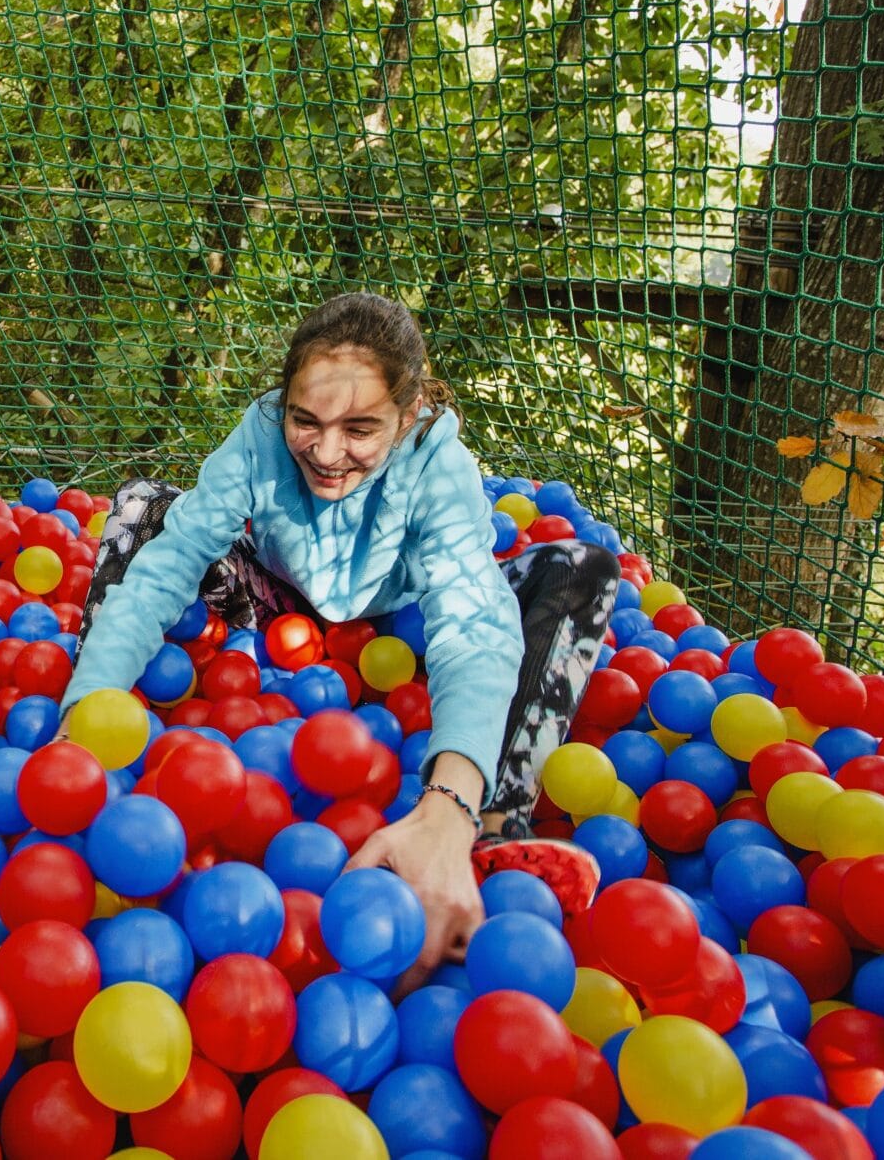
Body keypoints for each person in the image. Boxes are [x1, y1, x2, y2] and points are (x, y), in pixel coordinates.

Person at [62, 292, 618, 994]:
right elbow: (172, 562)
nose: (327, 452)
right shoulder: (259, 437)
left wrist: (448, 803)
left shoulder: (435, 461)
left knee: (585, 569)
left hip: (398, 624)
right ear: (283, 402)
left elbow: (471, 620)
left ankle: (492, 821)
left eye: (360, 427)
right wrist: (80, 730)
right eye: (306, 420)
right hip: (274, 607)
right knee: (143, 504)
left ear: (407, 413)